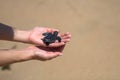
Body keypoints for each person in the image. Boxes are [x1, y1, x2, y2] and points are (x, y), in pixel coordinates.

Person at [0, 23, 71, 66]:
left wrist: (28, 35)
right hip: (48, 39)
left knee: (47, 40)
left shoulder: (52, 37)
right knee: (49, 39)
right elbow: (53, 38)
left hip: (47, 39)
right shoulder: (55, 38)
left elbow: (47, 36)